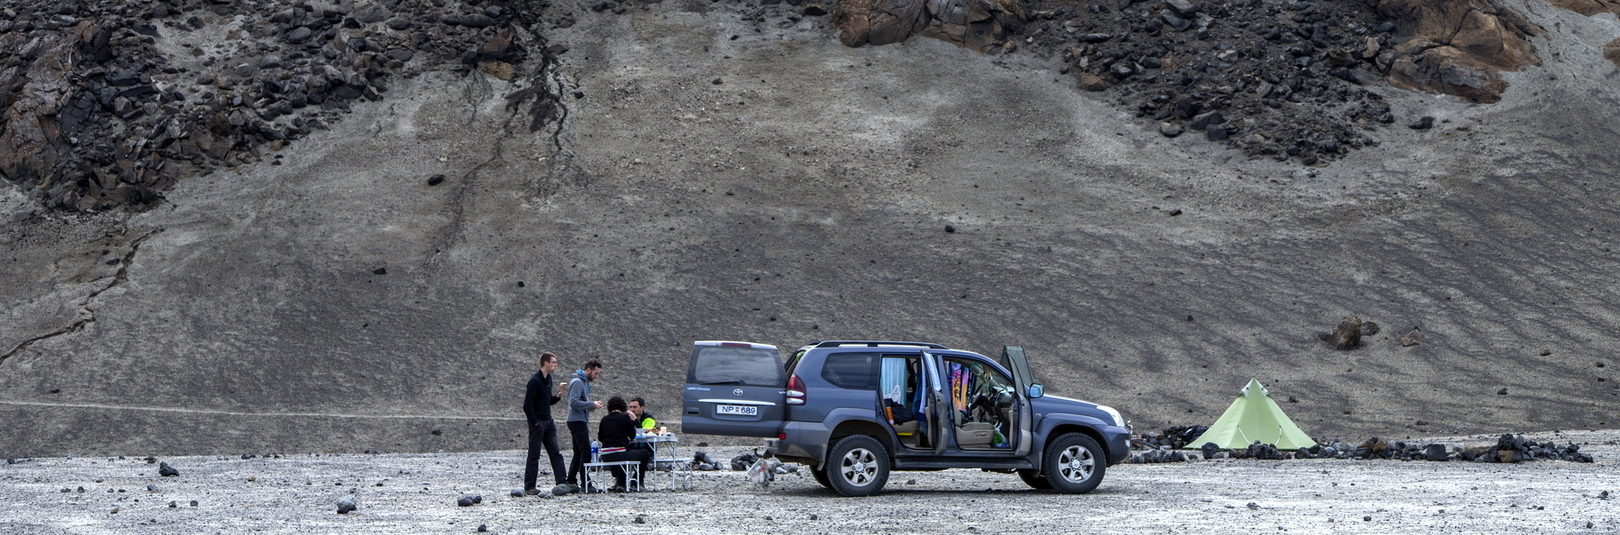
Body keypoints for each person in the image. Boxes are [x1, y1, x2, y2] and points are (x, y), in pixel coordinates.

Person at [522, 352, 569, 495]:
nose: (556, 365)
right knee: (534, 454)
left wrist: (558, 396)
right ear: (546, 363)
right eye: (553, 362)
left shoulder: (548, 379)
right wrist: (535, 422)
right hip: (538, 422)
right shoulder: (534, 381)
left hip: (548, 421)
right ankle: (530, 486)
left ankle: (562, 482)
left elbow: (547, 401)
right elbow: (527, 405)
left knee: (555, 452)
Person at [597, 396, 652, 492]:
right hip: (621, 453)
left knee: (624, 453)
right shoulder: (625, 417)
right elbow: (632, 435)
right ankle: (636, 483)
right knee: (644, 454)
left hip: (605, 455)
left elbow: (600, 438)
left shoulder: (604, 419)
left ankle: (620, 484)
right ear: (623, 407)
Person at [564, 358, 603, 491]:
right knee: (585, 452)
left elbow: (579, 402)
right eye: (596, 373)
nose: (596, 376)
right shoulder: (577, 382)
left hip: (578, 420)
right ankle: (586, 483)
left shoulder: (584, 382)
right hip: (577, 421)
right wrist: (591, 404)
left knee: (578, 452)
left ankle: (571, 480)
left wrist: (592, 406)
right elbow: (573, 402)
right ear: (588, 370)